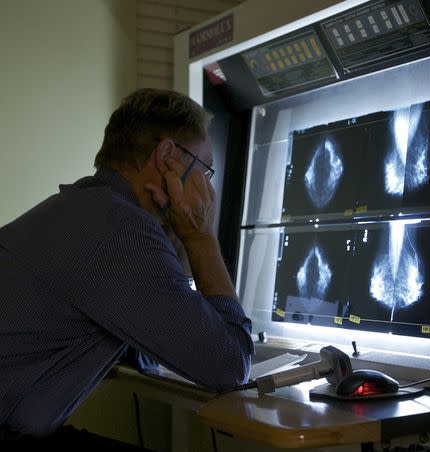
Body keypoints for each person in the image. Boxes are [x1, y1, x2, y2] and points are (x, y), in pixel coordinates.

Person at [0, 88, 254, 447]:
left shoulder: (81, 207)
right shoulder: (120, 229)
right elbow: (229, 367)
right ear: (168, 155)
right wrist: (200, 236)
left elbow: (154, 327)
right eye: (204, 172)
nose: (205, 190)